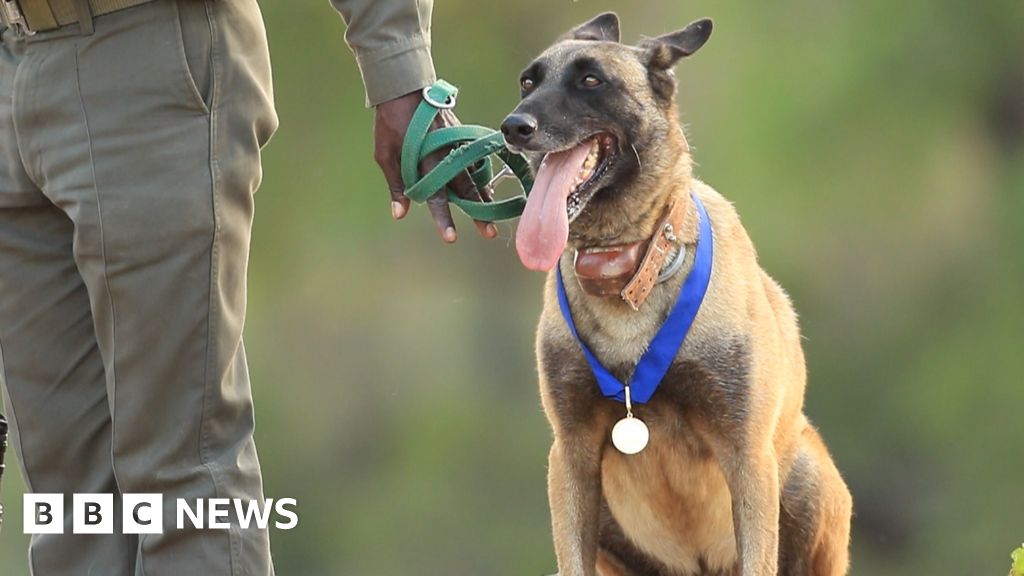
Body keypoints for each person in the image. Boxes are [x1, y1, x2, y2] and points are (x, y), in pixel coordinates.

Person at [0, 0, 468, 573]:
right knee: (67, 497)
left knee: (182, 481)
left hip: (148, 53)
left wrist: (400, 67)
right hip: (11, 59)